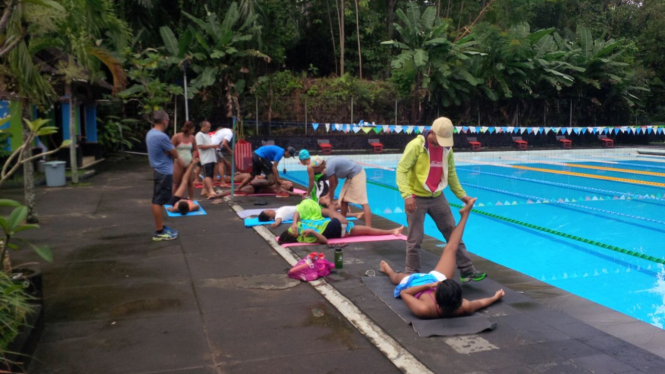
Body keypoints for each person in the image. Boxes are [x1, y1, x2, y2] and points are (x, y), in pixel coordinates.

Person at [380, 198, 504, 319]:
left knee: (397, 277)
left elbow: (405, 293)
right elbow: (479, 303)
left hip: (418, 284)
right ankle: (465, 215)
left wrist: (430, 286)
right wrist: (495, 298)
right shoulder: (463, 307)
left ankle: (388, 270)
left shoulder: (425, 310)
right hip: (438, 280)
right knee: (452, 247)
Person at [396, 117, 486, 282]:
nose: (443, 143)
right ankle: (411, 274)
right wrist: (407, 195)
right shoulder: (416, 146)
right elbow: (401, 170)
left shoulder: (447, 149)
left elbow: (451, 174)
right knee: (415, 238)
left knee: (452, 233)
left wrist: (462, 196)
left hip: (437, 196)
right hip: (416, 197)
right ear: (432, 133)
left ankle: (466, 270)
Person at [277, 200, 402, 245]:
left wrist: (294, 223)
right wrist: (312, 232)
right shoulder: (304, 237)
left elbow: (297, 213)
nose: (295, 229)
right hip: (336, 226)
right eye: (293, 232)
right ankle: (336, 202)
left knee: (366, 230)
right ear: (294, 237)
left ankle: (392, 231)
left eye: (293, 229)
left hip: (341, 231)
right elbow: (324, 241)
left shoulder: (297, 226)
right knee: (330, 209)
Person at [146, 110, 186, 241]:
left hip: (159, 170)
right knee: (158, 201)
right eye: (168, 120)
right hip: (164, 172)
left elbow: (167, 151)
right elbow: (173, 152)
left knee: (158, 200)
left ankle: (161, 227)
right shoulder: (161, 136)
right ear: (164, 121)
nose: (169, 122)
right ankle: (159, 231)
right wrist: (181, 161)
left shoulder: (150, 134)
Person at [310, 156, 372, 227]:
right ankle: (342, 222)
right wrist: (328, 195)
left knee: (363, 202)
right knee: (343, 200)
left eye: (315, 168)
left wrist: (330, 200)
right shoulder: (329, 164)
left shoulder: (329, 167)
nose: (315, 171)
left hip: (357, 174)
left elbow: (332, 185)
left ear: (319, 165)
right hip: (351, 175)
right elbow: (336, 182)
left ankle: (368, 226)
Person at [171, 120, 198, 200]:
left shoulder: (192, 138)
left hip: (189, 162)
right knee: (177, 183)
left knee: (190, 182)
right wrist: (177, 158)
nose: (193, 131)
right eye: (192, 129)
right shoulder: (177, 136)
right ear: (188, 129)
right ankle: (175, 200)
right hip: (178, 162)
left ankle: (191, 199)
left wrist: (193, 159)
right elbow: (170, 149)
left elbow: (195, 149)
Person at [195, 121, 219, 198]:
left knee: (210, 175)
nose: (209, 129)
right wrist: (212, 146)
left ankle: (204, 190)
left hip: (211, 157)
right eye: (208, 127)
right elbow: (200, 146)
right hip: (206, 158)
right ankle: (211, 190)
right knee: (207, 175)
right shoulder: (199, 135)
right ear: (203, 126)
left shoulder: (207, 135)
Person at [208, 179, 299, 199]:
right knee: (269, 181)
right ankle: (217, 195)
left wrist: (299, 194)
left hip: (256, 188)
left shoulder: (279, 190)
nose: (287, 184)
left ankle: (217, 195)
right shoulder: (281, 182)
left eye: (288, 185)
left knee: (236, 190)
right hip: (258, 182)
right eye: (287, 184)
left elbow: (289, 192)